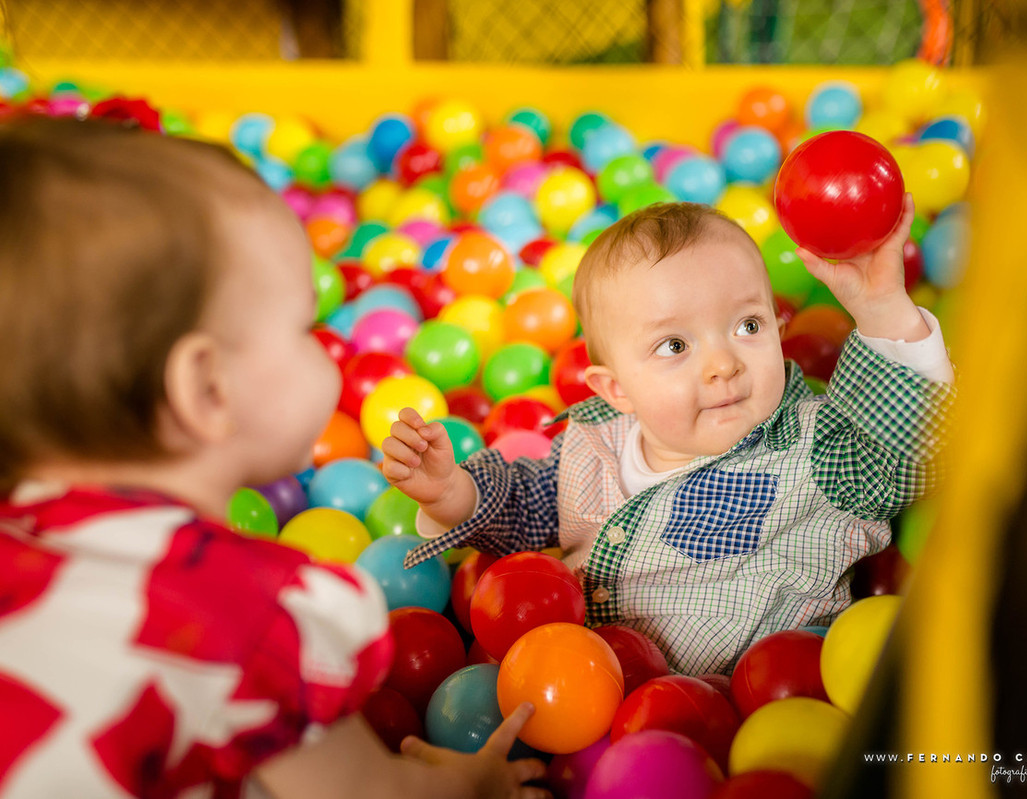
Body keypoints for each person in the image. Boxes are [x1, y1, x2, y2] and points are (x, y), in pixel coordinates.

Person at [0, 116, 546, 799]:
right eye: (303, 327)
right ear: (206, 389)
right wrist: (474, 783)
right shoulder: (247, 609)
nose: (323, 346)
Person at [384, 199, 956, 675]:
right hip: (580, 688)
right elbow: (519, 508)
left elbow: (907, 453)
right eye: (675, 346)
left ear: (779, 330)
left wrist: (883, 310)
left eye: (747, 326)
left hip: (743, 705)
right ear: (617, 390)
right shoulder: (592, 447)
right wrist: (447, 491)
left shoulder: (817, 449)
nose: (723, 365)